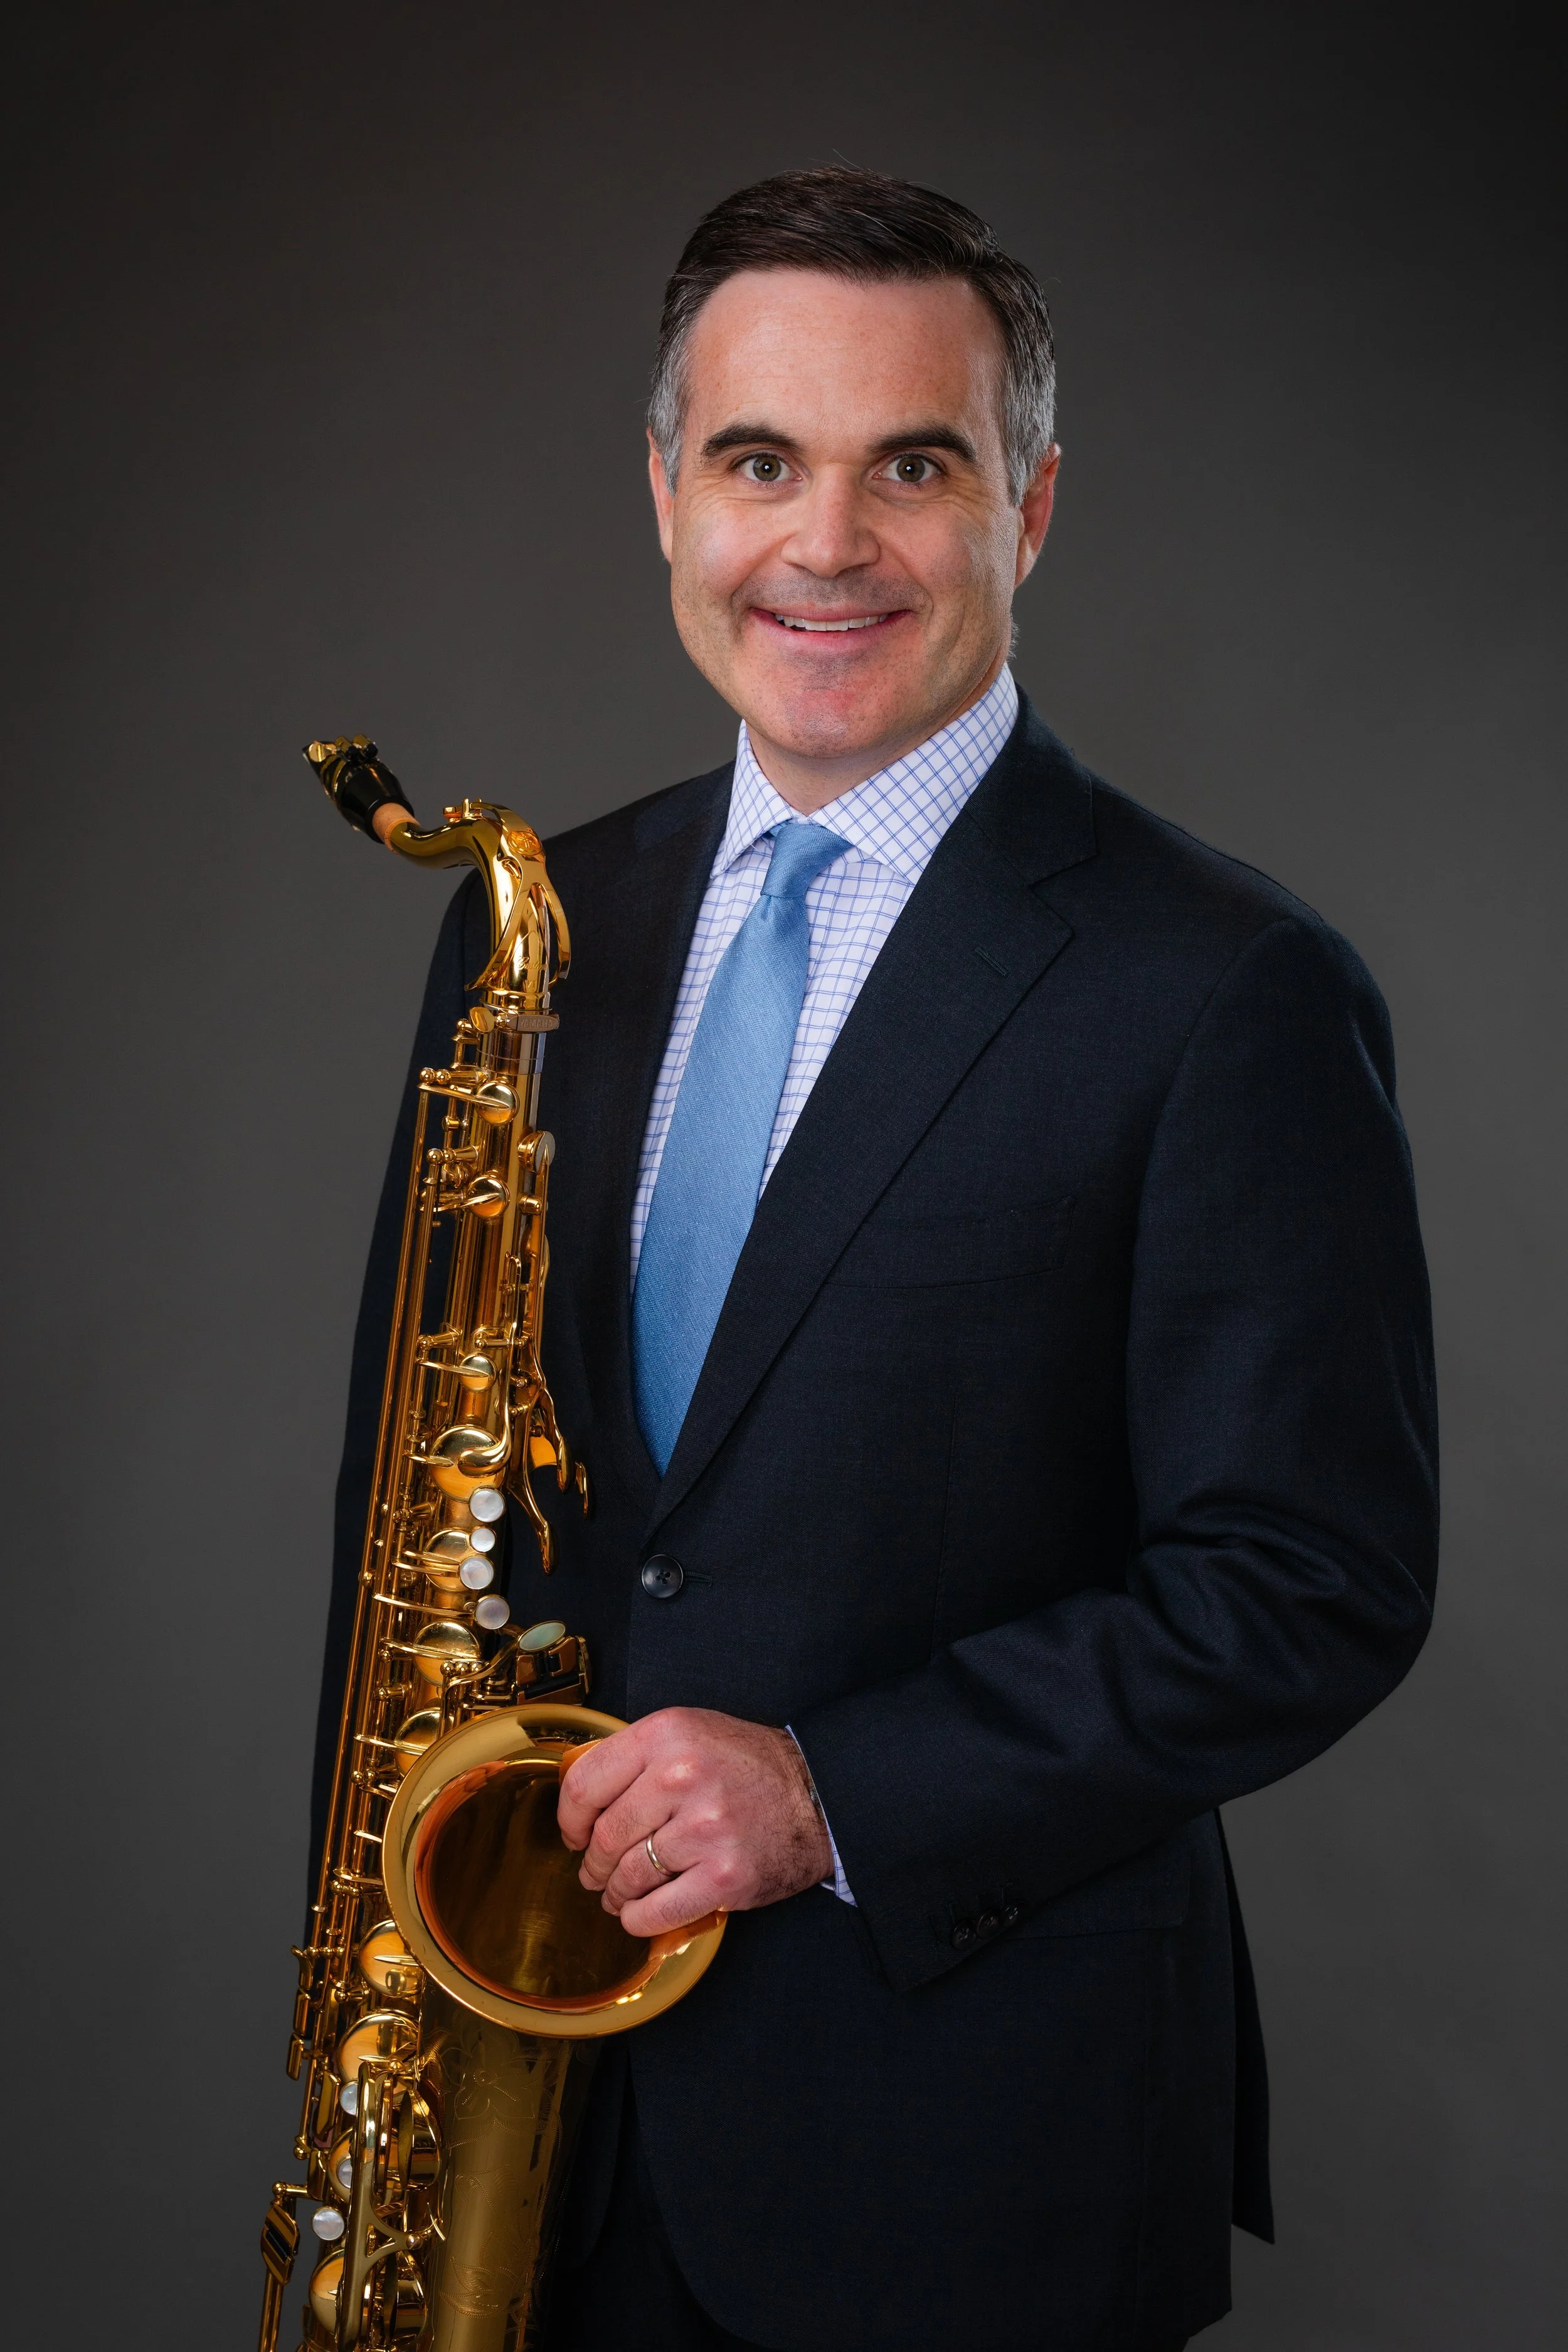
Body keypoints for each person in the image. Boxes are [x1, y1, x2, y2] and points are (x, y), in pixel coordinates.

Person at [323, 167, 1438, 2351]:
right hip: (532, 2128)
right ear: (666, 495)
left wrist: (831, 1790)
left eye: (907, 465)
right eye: (756, 460)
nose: (821, 544)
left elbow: (1311, 1581)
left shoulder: (1225, 984)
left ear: (1026, 503)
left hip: (969, 2163)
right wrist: (379, 2047)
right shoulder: (536, 924)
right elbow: (414, 1530)